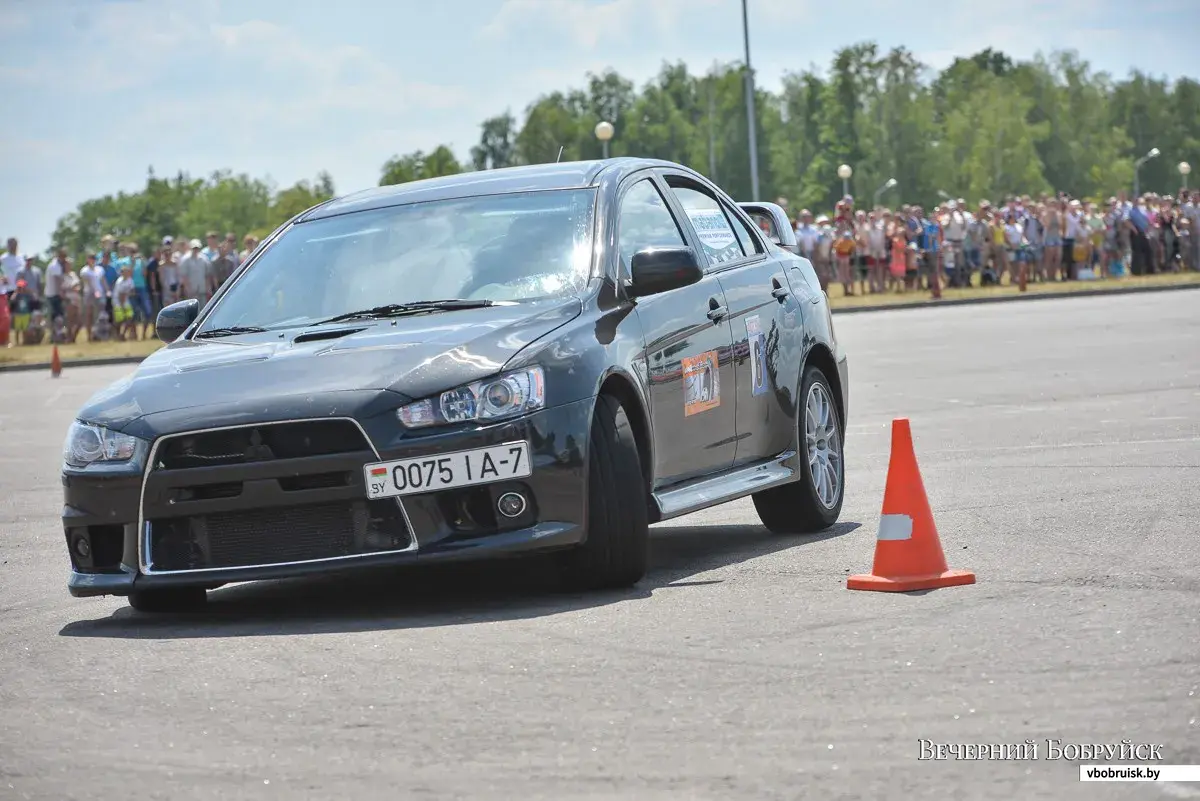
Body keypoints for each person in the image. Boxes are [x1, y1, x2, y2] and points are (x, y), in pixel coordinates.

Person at [179, 239, 213, 306]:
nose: (195, 249)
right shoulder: (185, 260)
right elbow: (184, 276)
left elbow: (207, 275)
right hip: (191, 291)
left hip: (202, 289)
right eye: (194, 248)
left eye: (197, 248)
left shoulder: (204, 259)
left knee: (203, 308)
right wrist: (187, 289)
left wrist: (208, 288)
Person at [112, 264, 136, 341]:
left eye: (127, 271)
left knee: (130, 317)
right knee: (119, 320)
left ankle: (122, 334)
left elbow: (132, 291)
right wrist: (122, 306)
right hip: (118, 302)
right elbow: (120, 295)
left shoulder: (130, 280)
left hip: (125, 301)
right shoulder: (119, 281)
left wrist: (130, 293)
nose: (126, 273)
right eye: (124, 272)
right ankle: (117, 335)